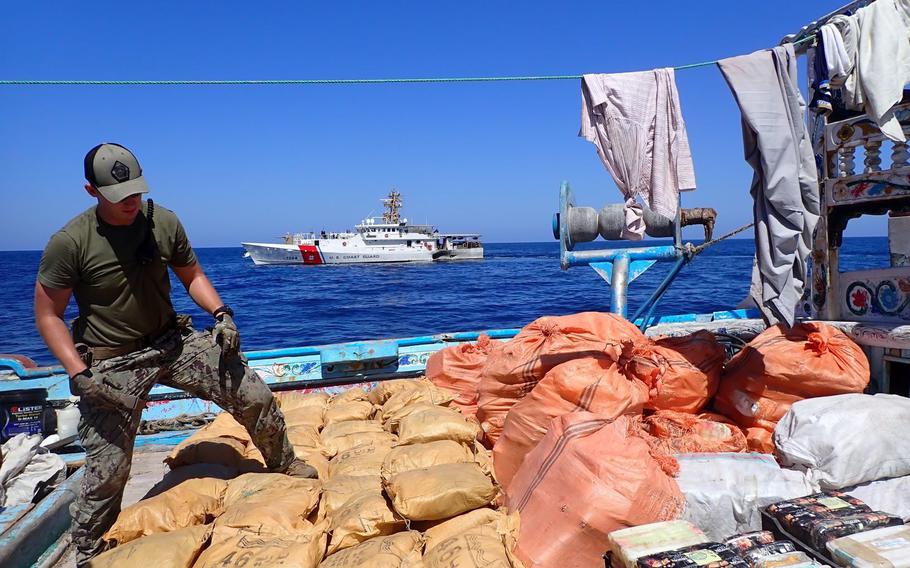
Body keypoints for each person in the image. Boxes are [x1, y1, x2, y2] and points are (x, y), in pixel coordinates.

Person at [33, 143, 316, 566]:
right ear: (91, 190)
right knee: (108, 469)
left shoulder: (162, 222)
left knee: (253, 394)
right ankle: (89, 551)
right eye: (119, 195)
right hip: (112, 363)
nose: (131, 201)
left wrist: (221, 314)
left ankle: (284, 463)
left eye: (136, 191)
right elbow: (48, 315)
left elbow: (193, 275)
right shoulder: (70, 242)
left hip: (172, 343)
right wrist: (79, 374)